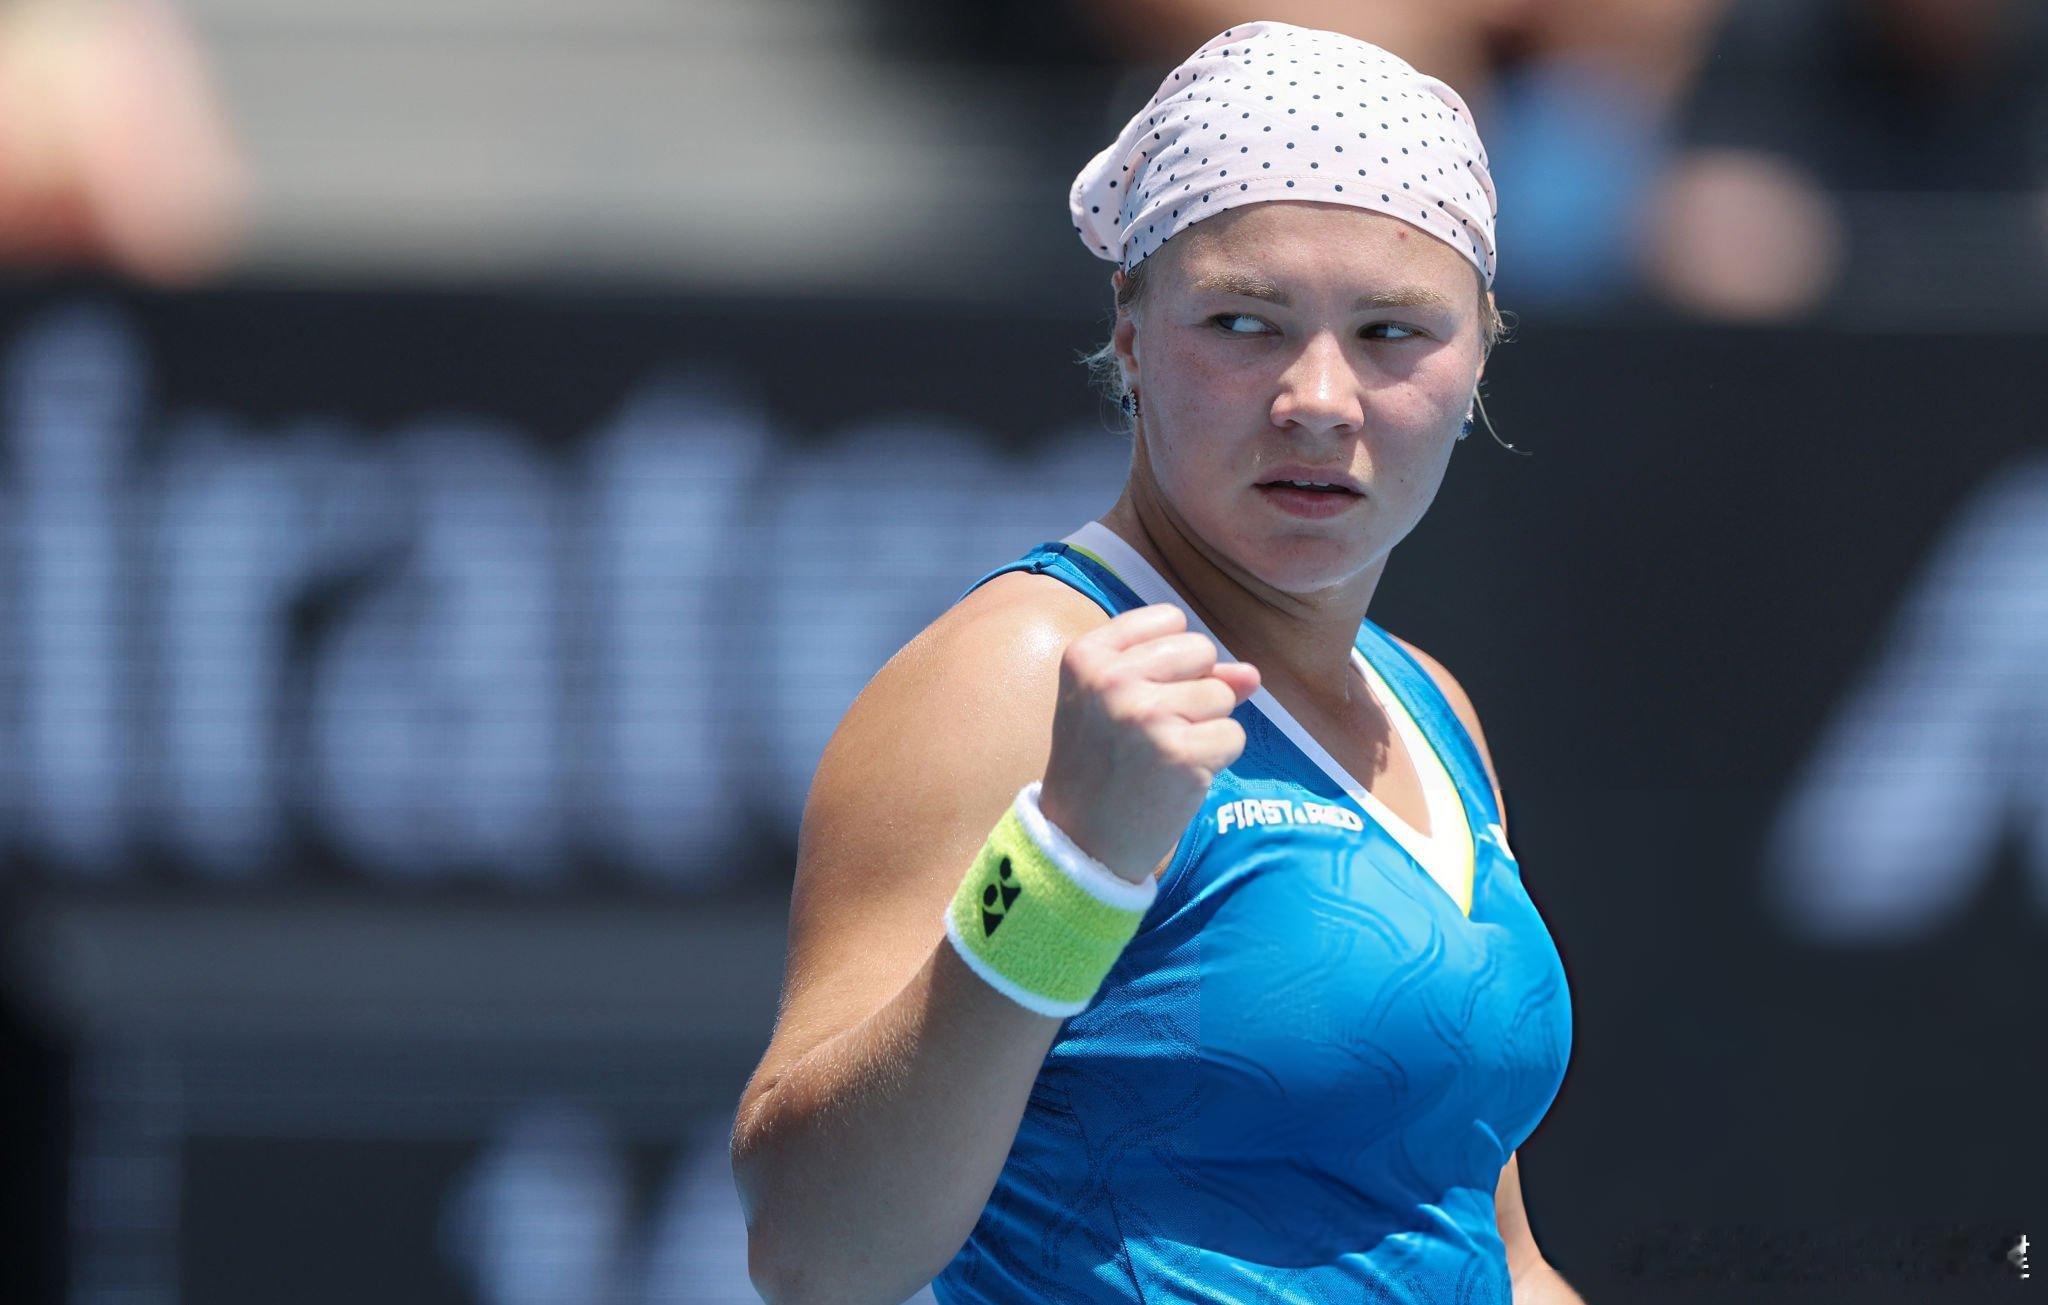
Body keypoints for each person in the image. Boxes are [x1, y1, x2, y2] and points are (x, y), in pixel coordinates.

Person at [732, 21, 1578, 1304]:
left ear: (1476, 361)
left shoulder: (1427, 706)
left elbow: (1485, 1244)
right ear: (1129, 338)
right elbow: (813, 1253)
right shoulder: (1016, 673)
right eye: (1243, 322)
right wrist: (1064, 871)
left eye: (1391, 332)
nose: (1318, 398)